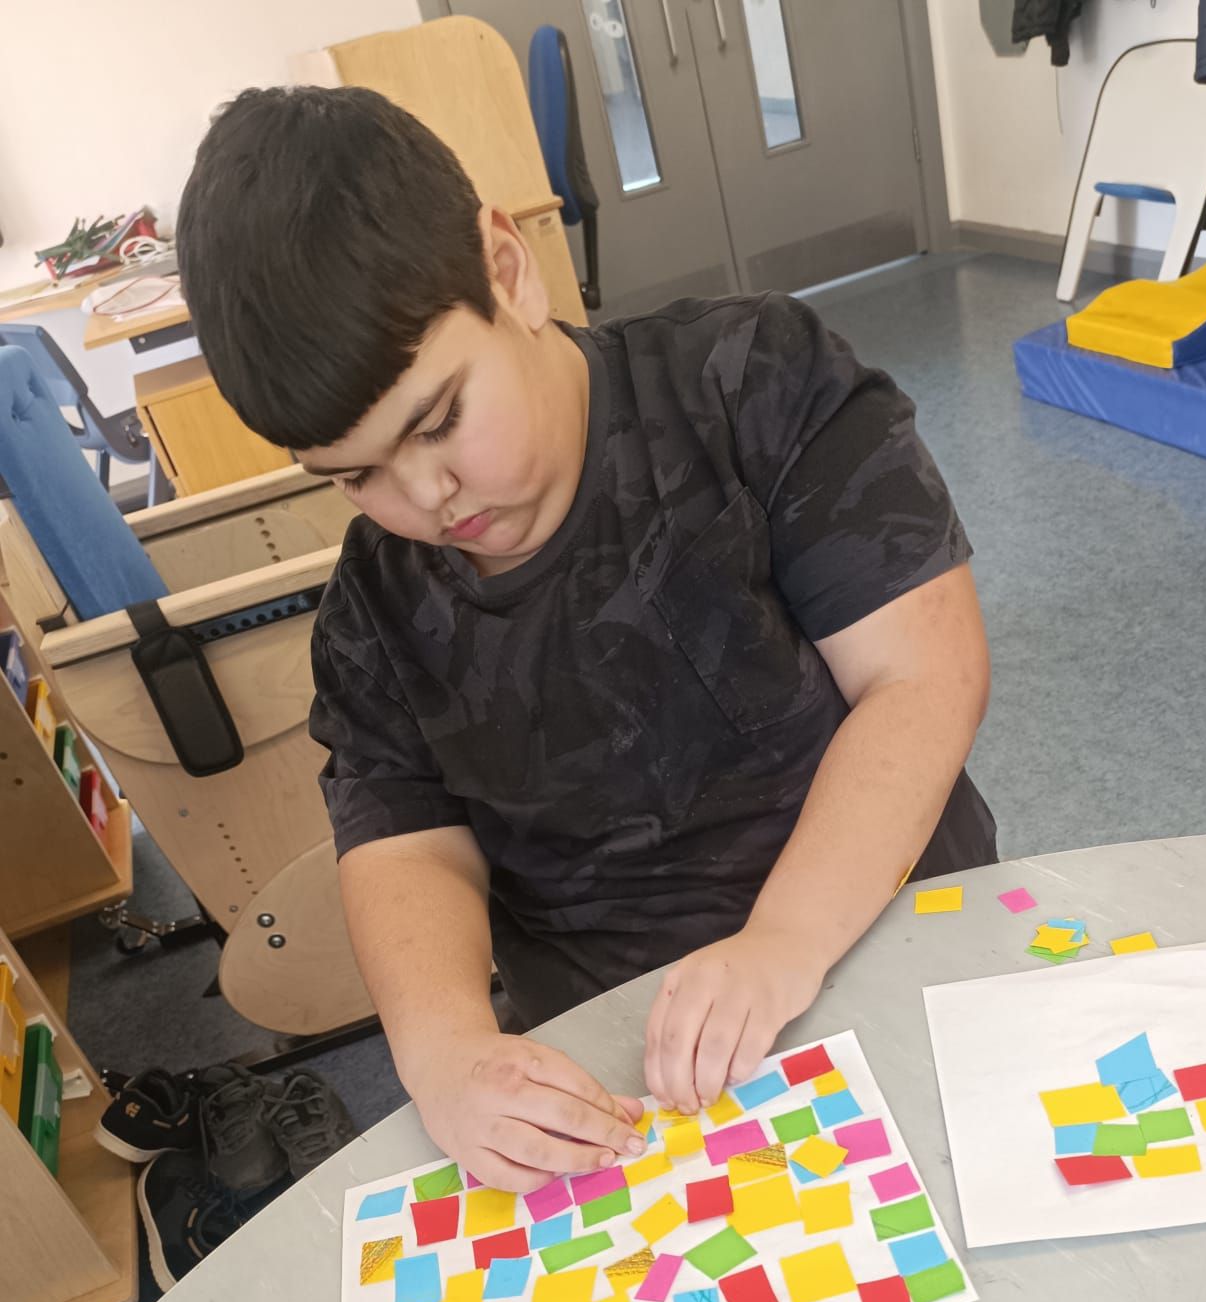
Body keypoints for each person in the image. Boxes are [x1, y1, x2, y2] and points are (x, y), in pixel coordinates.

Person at [176, 86, 997, 1193]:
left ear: (507, 270)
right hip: (623, 1064)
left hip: (887, 928)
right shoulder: (374, 612)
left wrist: (781, 945)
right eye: (356, 477)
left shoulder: (753, 383)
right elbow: (405, 849)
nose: (428, 495)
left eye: (440, 420)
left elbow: (922, 676)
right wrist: (445, 1055)